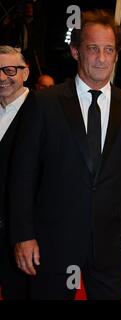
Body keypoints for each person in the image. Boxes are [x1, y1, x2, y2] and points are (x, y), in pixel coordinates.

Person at [9, 10, 121, 300]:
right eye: (93, 48)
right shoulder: (44, 103)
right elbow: (22, 175)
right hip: (53, 244)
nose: (101, 58)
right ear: (76, 51)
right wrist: (23, 235)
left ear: (116, 55)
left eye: (109, 49)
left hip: (112, 246)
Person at [0, 45, 32, 299]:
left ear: (26, 73)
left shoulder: (44, 111)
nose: (2, 77)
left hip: (22, 238)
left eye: (10, 70)